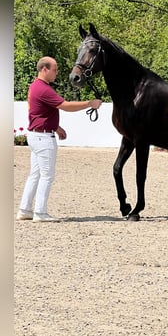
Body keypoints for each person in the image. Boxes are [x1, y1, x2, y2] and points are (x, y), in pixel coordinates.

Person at [17, 56, 102, 221]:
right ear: (44, 69)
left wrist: (57, 127)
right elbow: (64, 105)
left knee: (35, 174)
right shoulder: (43, 89)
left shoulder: (35, 87)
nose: (56, 73)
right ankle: (40, 212)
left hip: (37, 135)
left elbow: (40, 113)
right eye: (54, 69)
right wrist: (89, 103)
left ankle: (25, 209)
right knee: (47, 175)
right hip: (43, 138)